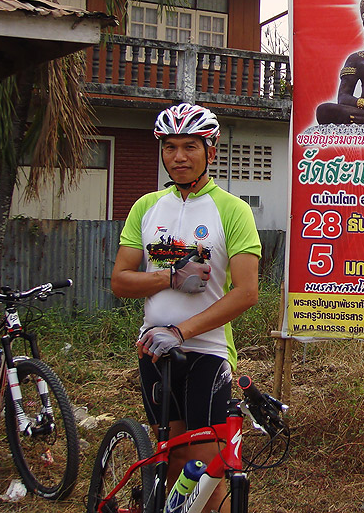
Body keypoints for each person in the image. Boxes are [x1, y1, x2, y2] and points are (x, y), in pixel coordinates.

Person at [111, 102, 261, 512]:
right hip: (154, 351)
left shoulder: (232, 210)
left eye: (190, 147)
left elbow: (247, 292)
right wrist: (171, 277)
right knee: (175, 458)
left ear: (210, 151)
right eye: (170, 147)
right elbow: (120, 281)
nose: (179, 157)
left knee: (208, 467)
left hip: (206, 352)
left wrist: (181, 332)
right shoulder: (146, 206)